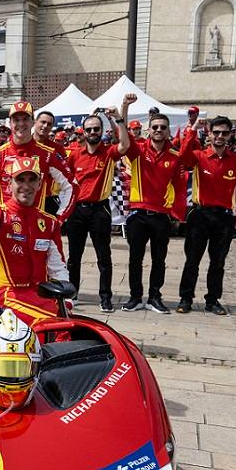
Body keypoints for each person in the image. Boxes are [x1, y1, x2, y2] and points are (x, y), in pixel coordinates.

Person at [0, 152, 69, 324]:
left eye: (31, 180)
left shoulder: (49, 223)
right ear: (9, 184)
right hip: (6, 298)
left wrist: (66, 301)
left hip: (42, 297)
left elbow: (58, 268)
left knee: (71, 323)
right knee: (54, 323)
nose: (26, 185)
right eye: (20, 179)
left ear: (39, 184)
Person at [121, 107, 196, 313]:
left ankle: (155, 296)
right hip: (138, 214)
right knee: (135, 259)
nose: (158, 130)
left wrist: (176, 213)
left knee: (159, 259)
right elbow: (124, 133)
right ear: (148, 130)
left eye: (163, 127)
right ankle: (135, 297)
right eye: (155, 127)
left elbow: (180, 186)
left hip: (161, 216)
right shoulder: (137, 151)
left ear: (168, 131)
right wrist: (125, 108)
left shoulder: (175, 156)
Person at [63, 98, 134, 313]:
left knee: (104, 256)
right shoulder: (74, 154)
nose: (92, 132)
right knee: (74, 257)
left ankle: (105, 297)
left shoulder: (108, 152)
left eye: (96, 128)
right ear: (83, 132)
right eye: (89, 129)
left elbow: (125, 145)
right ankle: (72, 294)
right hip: (77, 210)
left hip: (100, 210)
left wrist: (119, 118)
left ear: (101, 130)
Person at [175, 116, 236, 315]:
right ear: (210, 134)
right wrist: (192, 129)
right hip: (200, 215)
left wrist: (235, 207)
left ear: (230, 134)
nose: (220, 136)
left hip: (223, 218)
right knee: (192, 260)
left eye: (224, 133)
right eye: (216, 132)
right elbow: (183, 156)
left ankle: (213, 300)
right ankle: (185, 298)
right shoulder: (199, 156)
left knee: (218, 262)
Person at [0, 102, 74, 216]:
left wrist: (60, 217)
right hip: (7, 226)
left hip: (36, 226)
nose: (21, 123)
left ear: (32, 122)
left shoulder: (47, 154)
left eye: (25, 119)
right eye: (16, 120)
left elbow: (72, 186)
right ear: (10, 123)